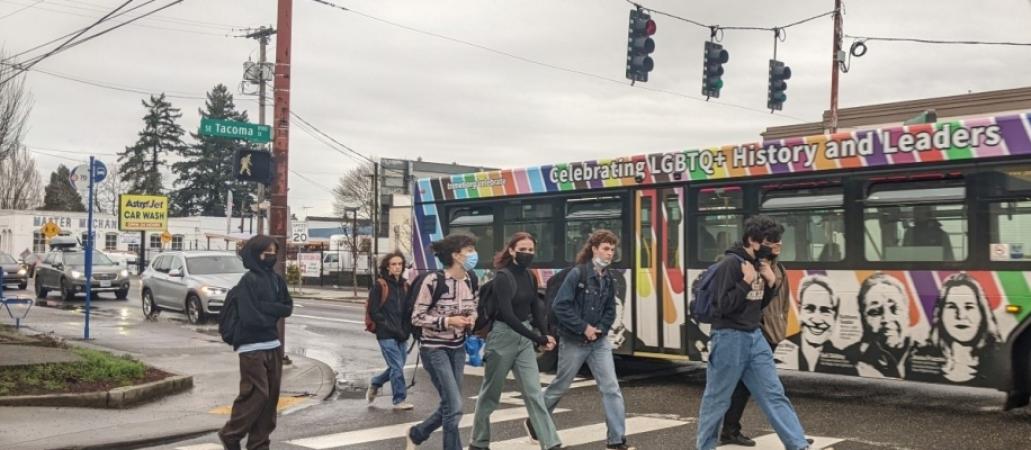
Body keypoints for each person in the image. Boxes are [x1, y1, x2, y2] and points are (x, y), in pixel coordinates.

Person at [695, 215, 810, 450]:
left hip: (755, 336)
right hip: (729, 337)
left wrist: (770, 284)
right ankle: (704, 446)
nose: (774, 246)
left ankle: (798, 445)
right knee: (717, 398)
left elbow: (757, 304)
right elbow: (722, 307)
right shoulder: (731, 264)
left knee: (774, 393)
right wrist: (746, 281)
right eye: (770, 241)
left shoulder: (760, 264)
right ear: (752, 240)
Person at [539, 229, 634, 450]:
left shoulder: (609, 278)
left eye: (612, 249)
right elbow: (560, 305)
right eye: (606, 249)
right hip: (574, 341)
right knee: (561, 385)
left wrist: (599, 329)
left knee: (611, 388)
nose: (610, 253)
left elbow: (610, 309)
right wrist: (584, 328)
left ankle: (617, 440)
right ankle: (536, 419)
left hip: (599, 343)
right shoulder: (577, 274)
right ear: (594, 249)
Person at [470, 232, 561, 450]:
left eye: (531, 249)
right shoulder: (503, 277)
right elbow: (508, 315)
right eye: (523, 249)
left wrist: (545, 332)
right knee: (490, 394)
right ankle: (478, 441)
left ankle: (551, 443)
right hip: (502, 336)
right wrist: (537, 337)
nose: (527, 253)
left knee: (534, 393)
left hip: (524, 336)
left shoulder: (530, 276)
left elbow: (534, 308)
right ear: (512, 250)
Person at [218, 235, 294, 450]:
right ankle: (231, 434)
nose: (270, 256)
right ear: (255, 253)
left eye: (273, 252)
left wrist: (265, 307)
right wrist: (272, 309)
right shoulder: (248, 281)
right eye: (266, 252)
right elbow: (252, 318)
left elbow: (287, 307)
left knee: (271, 401)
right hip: (251, 348)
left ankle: (260, 444)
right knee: (257, 395)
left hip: (273, 345)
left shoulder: (276, 279)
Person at [406, 234, 479, 450]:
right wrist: (448, 321)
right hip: (434, 349)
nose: (473, 254)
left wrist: (470, 319)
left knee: (451, 405)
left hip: (457, 349)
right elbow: (417, 317)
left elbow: (474, 307)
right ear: (456, 255)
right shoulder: (433, 281)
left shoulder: (470, 279)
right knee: (454, 406)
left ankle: (418, 433)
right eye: (469, 250)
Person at [718, 230, 788, 447]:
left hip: (771, 331)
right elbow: (753, 301)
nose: (778, 244)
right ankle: (792, 437)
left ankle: (729, 430)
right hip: (759, 331)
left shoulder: (776, 267)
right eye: (773, 241)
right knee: (765, 390)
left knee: (752, 388)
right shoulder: (748, 265)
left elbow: (780, 301)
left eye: (779, 240)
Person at [911, 273, 1002, 385]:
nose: (960, 315)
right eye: (951, 306)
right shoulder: (922, 356)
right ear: (940, 314)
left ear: (982, 314)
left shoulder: (998, 356)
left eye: (969, 307)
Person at [366, 251, 414, 410]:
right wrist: (392, 328)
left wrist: (407, 330)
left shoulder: (406, 286)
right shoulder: (380, 285)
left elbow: (409, 312)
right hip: (386, 334)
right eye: (394, 264)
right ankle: (399, 400)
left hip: (402, 334)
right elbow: (374, 311)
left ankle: (376, 382)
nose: (397, 267)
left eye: (400, 264)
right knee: (397, 367)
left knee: (396, 366)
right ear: (387, 267)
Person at [845, 272, 915, 379]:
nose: (886, 319)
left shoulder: (926, 354)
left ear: (907, 312)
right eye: (874, 312)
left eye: (894, 309)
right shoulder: (849, 358)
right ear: (863, 318)